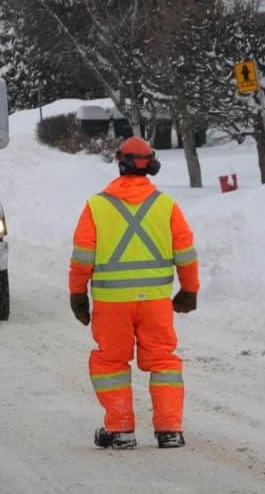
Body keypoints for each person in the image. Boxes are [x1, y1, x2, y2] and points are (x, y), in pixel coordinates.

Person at [69, 136, 198, 450]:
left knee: (111, 363)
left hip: (112, 305)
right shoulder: (165, 205)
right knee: (164, 361)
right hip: (155, 303)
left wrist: (78, 295)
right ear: (151, 165)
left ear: (119, 162)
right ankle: (169, 430)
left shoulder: (97, 206)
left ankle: (121, 429)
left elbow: (82, 258)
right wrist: (189, 290)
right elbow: (186, 253)